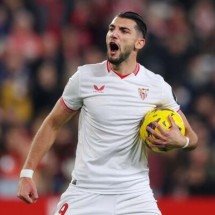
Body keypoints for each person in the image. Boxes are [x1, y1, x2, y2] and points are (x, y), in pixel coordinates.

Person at [17, 11, 198, 215]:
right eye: (112, 29)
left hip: (134, 195)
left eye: (123, 31)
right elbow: (52, 123)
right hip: (86, 192)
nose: (114, 34)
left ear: (139, 43)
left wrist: (179, 141)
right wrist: (27, 172)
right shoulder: (84, 77)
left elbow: (192, 138)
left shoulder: (156, 85)